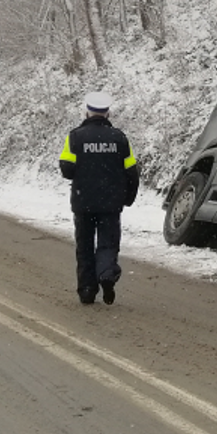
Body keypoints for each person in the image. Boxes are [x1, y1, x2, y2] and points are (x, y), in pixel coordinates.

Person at [58, 92, 139, 304]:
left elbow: (66, 169)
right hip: (111, 203)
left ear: (87, 111)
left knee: (84, 246)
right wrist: (128, 197)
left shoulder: (75, 137)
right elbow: (132, 171)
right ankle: (106, 274)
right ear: (108, 113)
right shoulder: (120, 138)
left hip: (83, 201)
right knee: (108, 243)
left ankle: (86, 290)